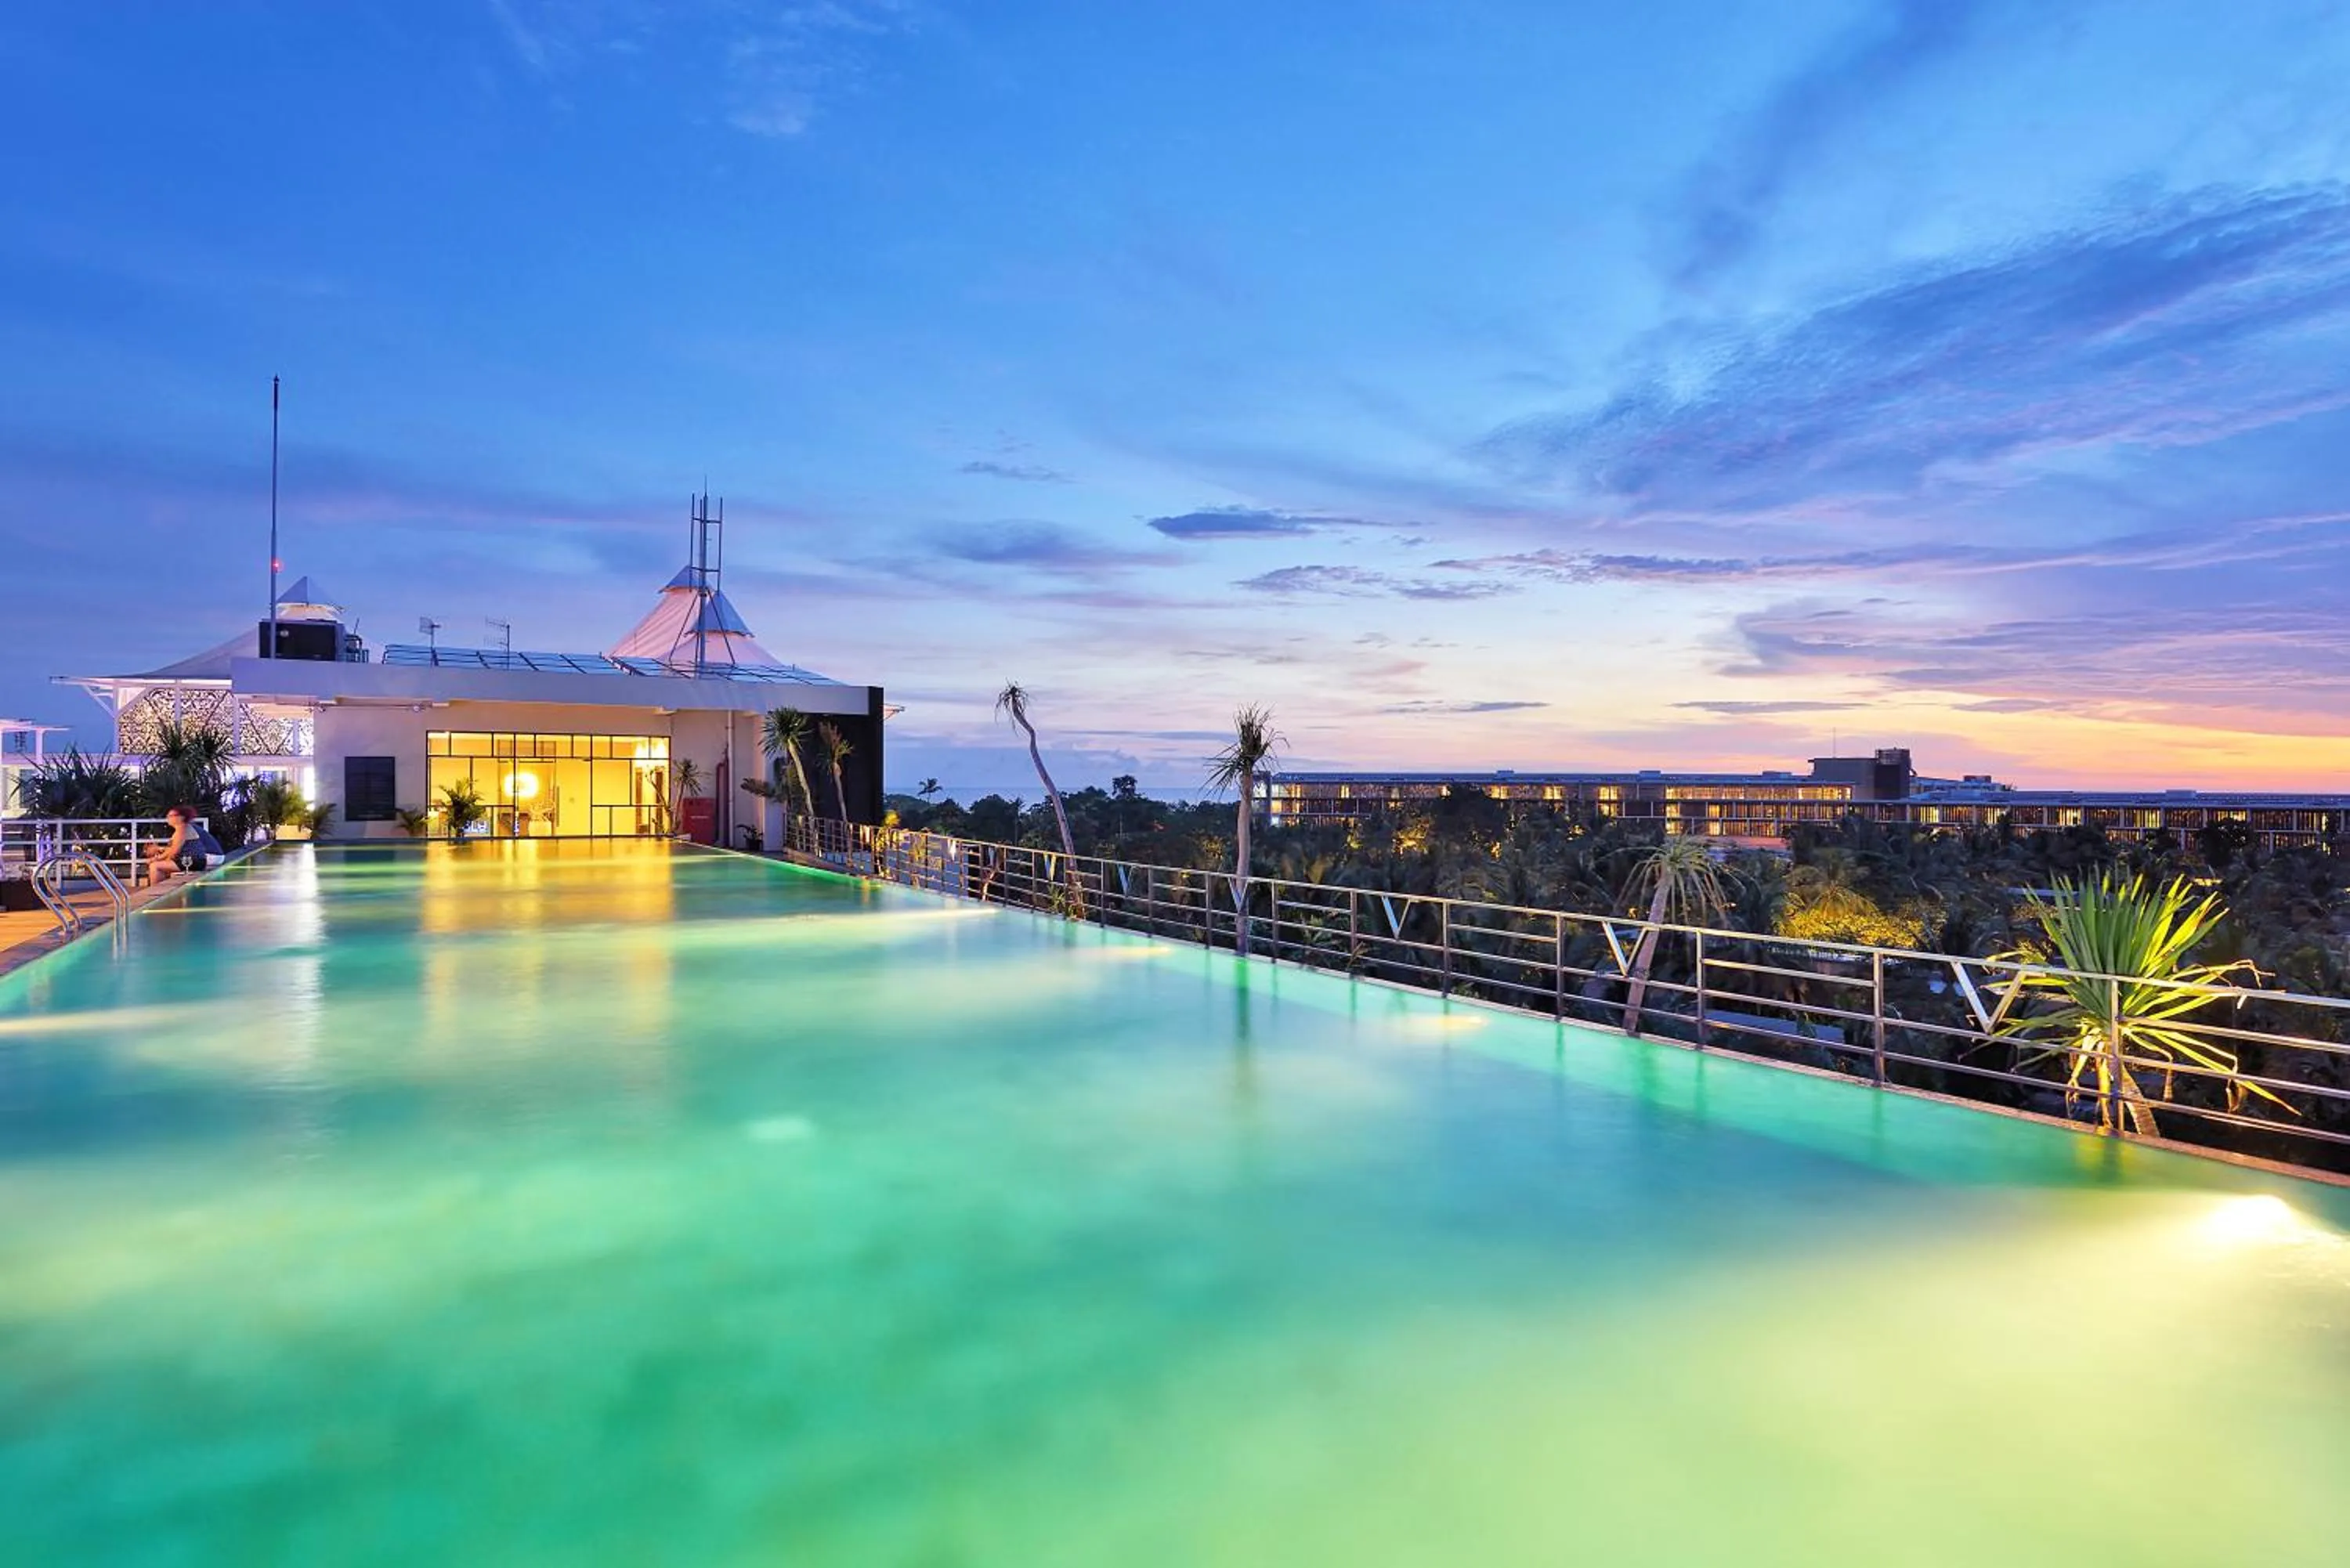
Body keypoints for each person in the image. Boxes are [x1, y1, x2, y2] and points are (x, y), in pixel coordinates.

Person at [143, 805, 225, 885]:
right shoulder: (180, 830)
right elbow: (171, 849)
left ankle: (156, 892)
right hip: (194, 859)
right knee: (160, 864)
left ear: (181, 817)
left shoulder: (183, 829)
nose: (168, 817)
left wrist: (156, 859)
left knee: (155, 866)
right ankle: (160, 889)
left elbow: (174, 851)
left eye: (172, 815)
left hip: (195, 860)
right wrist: (159, 852)